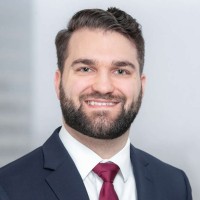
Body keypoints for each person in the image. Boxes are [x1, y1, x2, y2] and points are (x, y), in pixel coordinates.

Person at [0, 7, 192, 200]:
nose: (103, 87)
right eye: (85, 69)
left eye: (120, 71)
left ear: (141, 86)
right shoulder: (7, 187)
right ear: (58, 83)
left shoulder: (174, 185)